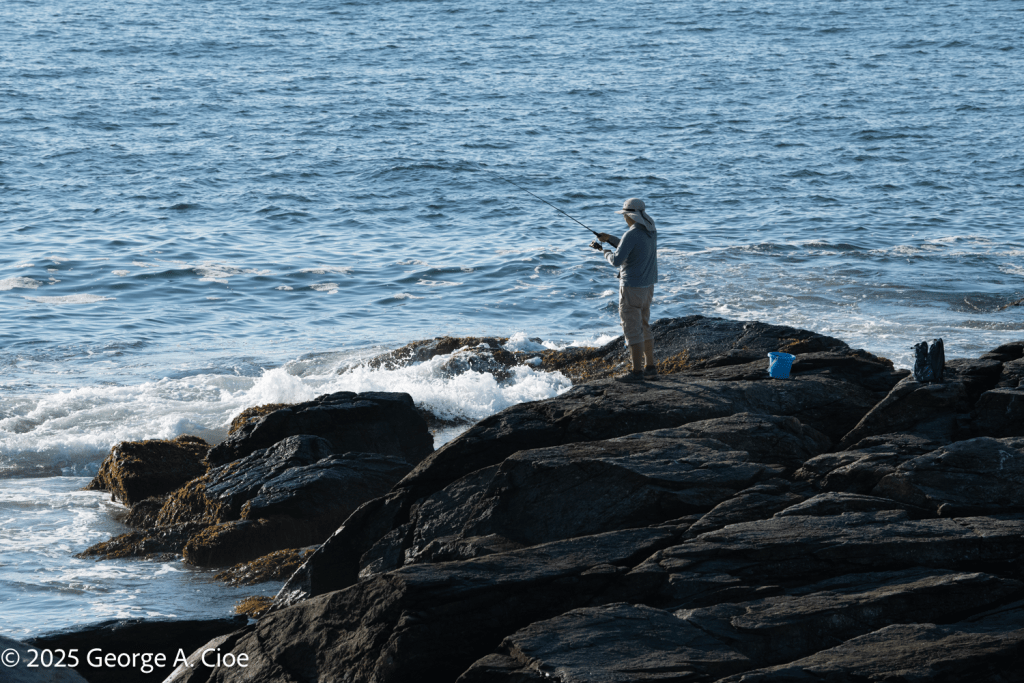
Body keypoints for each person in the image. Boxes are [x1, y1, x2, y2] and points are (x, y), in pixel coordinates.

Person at [591, 198, 658, 382]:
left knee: (632, 329)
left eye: (625, 216)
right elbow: (631, 247)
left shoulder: (631, 234)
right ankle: (650, 368)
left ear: (630, 216)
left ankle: (637, 373)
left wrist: (602, 251)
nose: (624, 219)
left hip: (631, 288)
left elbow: (616, 261)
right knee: (644, 326)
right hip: (648, 287)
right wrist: (610, 238)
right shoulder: (651, 230)